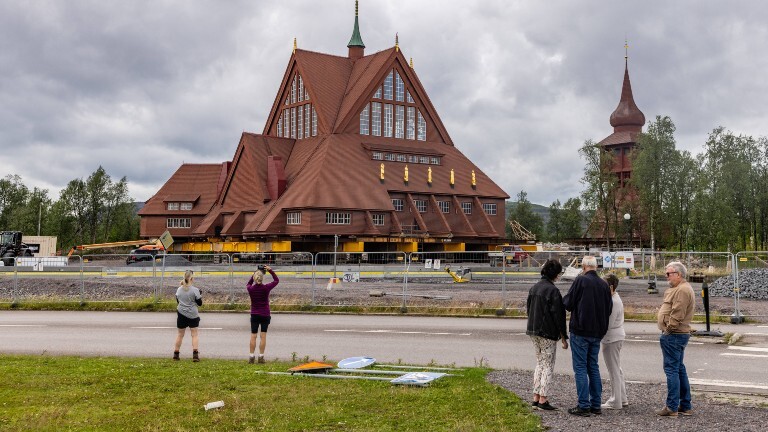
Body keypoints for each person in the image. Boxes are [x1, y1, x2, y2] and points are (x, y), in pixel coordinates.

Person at [562, 255, 612, 417]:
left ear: (583, 267)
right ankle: (596, 404)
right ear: (596, 267)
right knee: (593, 366)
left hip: (581, 330)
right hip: (597, 332)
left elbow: (568, 304)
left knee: (580, 368)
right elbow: (608, 308)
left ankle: (583, 405)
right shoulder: (604, 284)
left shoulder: (581, 281)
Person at [526, 259, 569, 411]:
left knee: (539, 363)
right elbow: (559, 316)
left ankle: (535, 397)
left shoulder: (534, 288)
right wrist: (564, 337)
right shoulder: (553, 291)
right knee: (548, 365)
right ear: (556, 274)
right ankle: (543, 399)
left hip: (533, 331)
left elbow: (529, 309)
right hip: (548, 333)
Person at [656, 261, 696, 417]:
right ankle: (685, 406)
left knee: (672, 370)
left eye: (669, 274)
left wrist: (668, 330)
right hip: (677, 334)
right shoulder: (680, 288)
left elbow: (677, 314)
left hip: (674, 335)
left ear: (678, 275)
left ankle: (672, 407)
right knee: (679, 369)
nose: (667, 277)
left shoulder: (682, 290)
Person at [601, 273, 628, 410]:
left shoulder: (613, 302)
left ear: (610, 287)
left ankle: (615, 400)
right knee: (617, 368)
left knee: (614, 371)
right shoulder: (614, 298)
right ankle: (622, 398)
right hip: (615, 337)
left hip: (611, 338)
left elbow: (608, 324)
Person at [247, 265, 280, 364]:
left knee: (253, 336)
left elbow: (248, 283)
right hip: (265, 314)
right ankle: (261, 357)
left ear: (254, 278)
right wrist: (270, 270)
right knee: (263, 336)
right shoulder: (266, 288)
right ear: (262, 278)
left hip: (254, 314)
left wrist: (255, 273)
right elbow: (276, 280)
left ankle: (251, 357)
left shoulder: (251, 289)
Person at [173, 270, 202, 362]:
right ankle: (195, 354)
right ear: (192, 279)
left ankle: (176, 354)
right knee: (194, 334)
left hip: (181, 313)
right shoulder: (195, 290)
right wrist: (199, 295)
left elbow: (178, 301)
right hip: (192, 314)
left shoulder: (179, 289)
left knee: (180, 334)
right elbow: (200, 303)